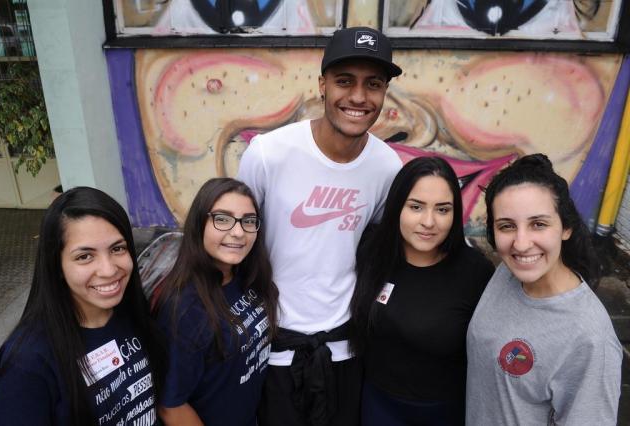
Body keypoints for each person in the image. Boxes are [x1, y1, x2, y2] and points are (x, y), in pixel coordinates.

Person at [237, 25, 404, 426]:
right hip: (275, 347)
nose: (359, 97)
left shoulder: (386, 167)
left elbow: (377, 250)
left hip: (344, 349)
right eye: (345, 81)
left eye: (374, 84)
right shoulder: (268, 154)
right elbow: (236, 243)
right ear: (322, 85)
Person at [466, 154, 623, 425]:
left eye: (538, 224)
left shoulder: (590, 339)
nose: (521, 243)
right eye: (507, 226)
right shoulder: (507, 273)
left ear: (566, 227)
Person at [0, 187, 166, 426]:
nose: (109, 270)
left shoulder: (133, 313)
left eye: (117, 248)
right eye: (84, 256)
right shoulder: (27, 362)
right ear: (57, 266)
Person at [350, 156, 494, 425]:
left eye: (442, 209)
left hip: (443, 413)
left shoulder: (475, 272)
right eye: (416, 207)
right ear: (396, 208)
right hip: (377, 406)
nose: (429, 222)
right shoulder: (373, 253)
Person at [154, 178, 278, 426]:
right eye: (222, 219)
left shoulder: (246, 277)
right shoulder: (184, 307)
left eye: (248, 221)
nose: (238, 232)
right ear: (200, 223)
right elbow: (171, 406)